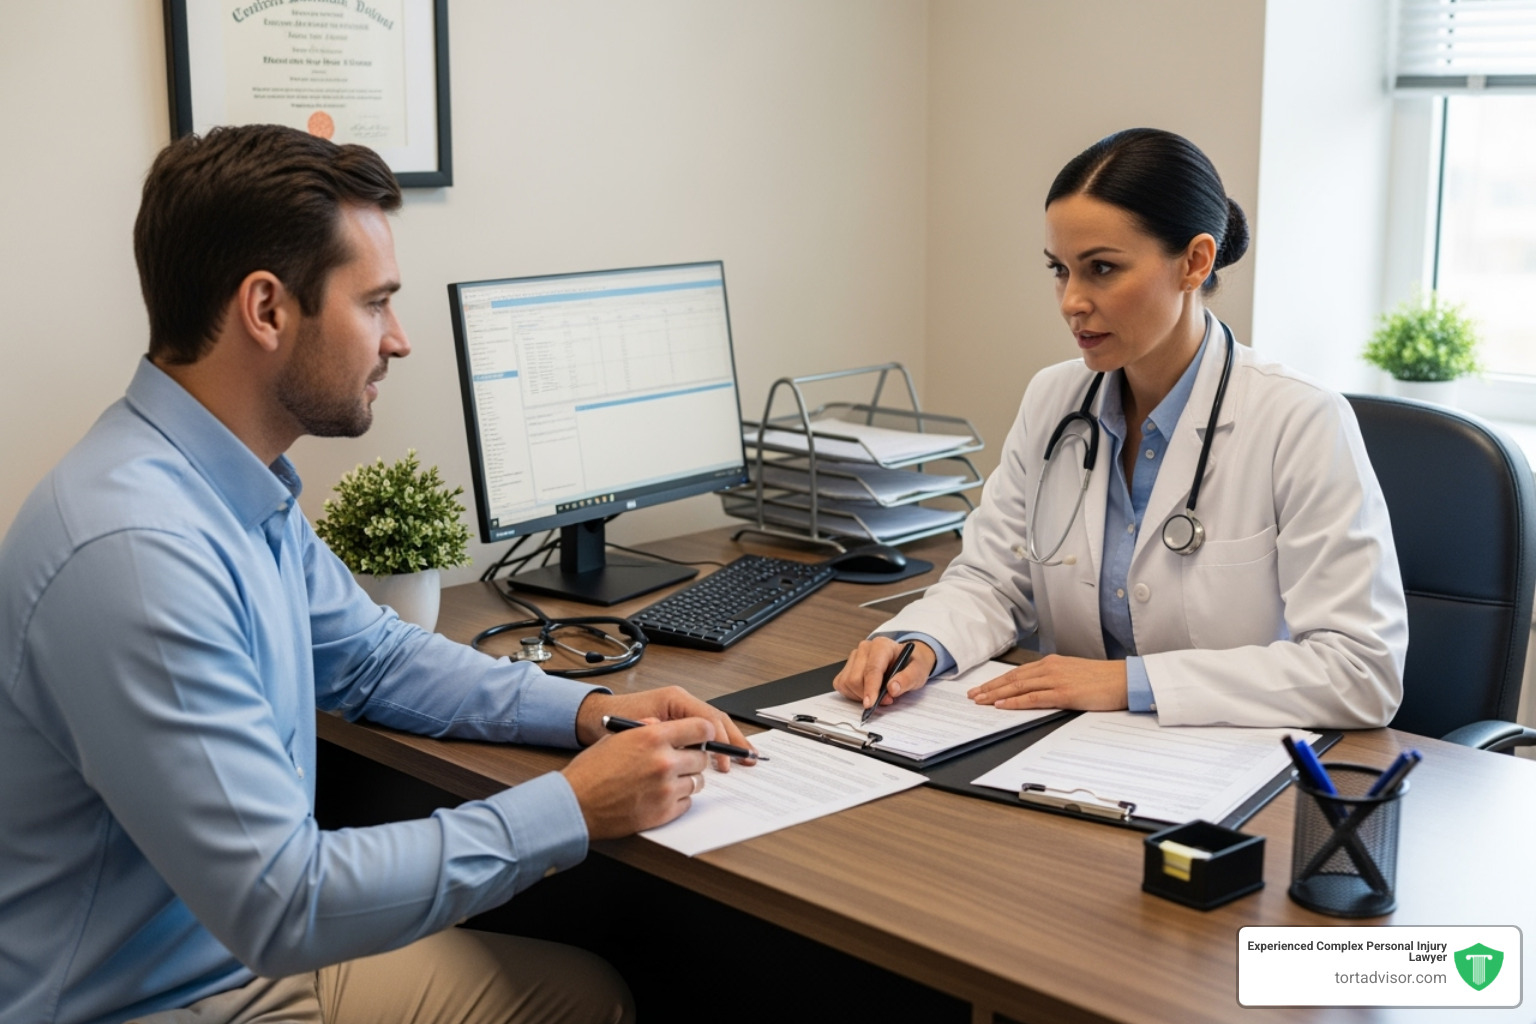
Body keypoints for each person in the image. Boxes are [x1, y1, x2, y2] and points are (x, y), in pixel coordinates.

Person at [0, 124, 757, 1024]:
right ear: (268, 310)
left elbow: (372, 658)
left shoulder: (228, 483)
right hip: (155, 999)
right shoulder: (132, 551)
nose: (398, 340)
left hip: (234, 955)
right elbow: (285, 902)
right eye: (375, 303)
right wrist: (571, 808)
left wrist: (594, 713)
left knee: (587, 998)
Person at [835, 128, 1407, 729]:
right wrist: (919, 641)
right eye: (1061, 270)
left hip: (1228, 773)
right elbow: (994, 580)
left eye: (1102, 268)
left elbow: (1360, 670)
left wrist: (1129, 682)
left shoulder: (1300, 420)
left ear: (1194, 262)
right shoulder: (1054, 400)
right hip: (1067, 758)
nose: (1071, 302)